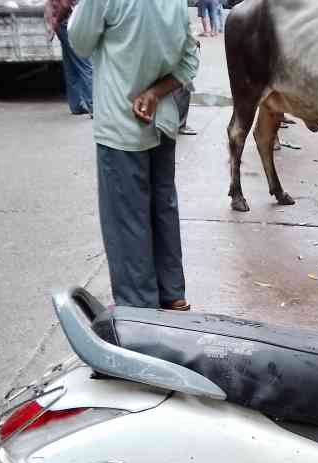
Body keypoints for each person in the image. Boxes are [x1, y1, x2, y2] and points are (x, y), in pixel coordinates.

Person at [68, 0, 199, 311]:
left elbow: (79, 41)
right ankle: (172, 295)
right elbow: (190, 61)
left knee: (126, 218)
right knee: (162, 208)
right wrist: (154, 93)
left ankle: (138, 309)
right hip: (162, 120)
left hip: (120, 126)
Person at [44, 0, 93, 115]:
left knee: (71, 67)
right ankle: (93, 105)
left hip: (62, 24)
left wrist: (54, 23)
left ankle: (76, 105)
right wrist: (56, 21)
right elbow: (65, 4)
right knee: (85, 65)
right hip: (67, 22)